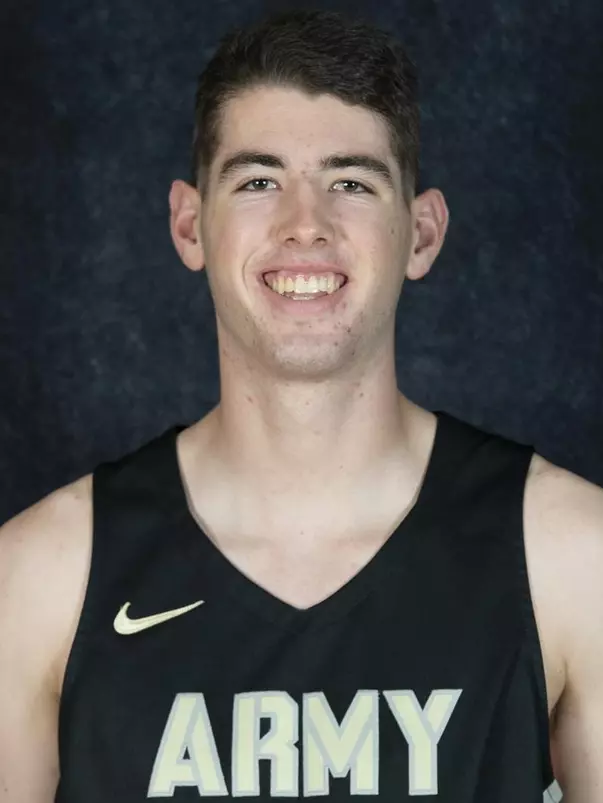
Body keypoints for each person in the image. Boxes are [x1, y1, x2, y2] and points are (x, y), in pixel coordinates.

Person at [0, 8, 601, 802]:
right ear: (190, 225)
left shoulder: (570, 557)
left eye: (350, 182)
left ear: (420, 233)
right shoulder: (40, 577)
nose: (303, 226)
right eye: (258, 181)